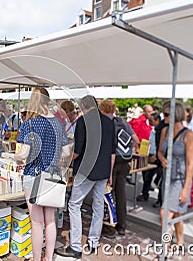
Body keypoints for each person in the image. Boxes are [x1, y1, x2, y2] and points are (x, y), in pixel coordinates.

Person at [55, 95, 116, 258]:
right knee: (97, 206)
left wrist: (63, 161)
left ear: (83, 107)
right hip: (103, 171)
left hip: (86, 171)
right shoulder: (110, 122)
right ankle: (94, 241)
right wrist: (109, 173)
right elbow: (112, 152)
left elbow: (77, 152)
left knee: (74, 205)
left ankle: (75, 246)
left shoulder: (83, 121)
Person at [14, 88, 71, 261]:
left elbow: (24, 154)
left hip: (34, 175)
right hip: (53, 176)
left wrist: (15, 158)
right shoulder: (57, 124)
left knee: (37, 223)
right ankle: (49, 257)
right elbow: (67, 152)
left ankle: (37, 258)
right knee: (50, 221)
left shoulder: (29, 123)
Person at [157, 101, 193, 247]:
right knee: (177, 213)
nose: (164, 117)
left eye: (166, 114)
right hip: (167, 177)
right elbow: (160, 151)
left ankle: (164, 250)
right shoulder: (165, 131)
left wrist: (186, 188)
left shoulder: (189, 135)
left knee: (165, 214)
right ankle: (180, 242)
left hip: (180, 179)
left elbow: (191, 164)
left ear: (175, 114)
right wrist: (162, 159)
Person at [99, 99, 139, 237]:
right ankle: (122, 226)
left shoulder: (105, 124)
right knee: (121, 195)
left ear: (103, 110)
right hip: (125, 163)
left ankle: (110, 228)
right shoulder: (123, 122)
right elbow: (136, 139)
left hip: (112, 164)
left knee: (108, 196)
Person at [137, 111, 162, 202]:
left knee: (158, 179)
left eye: (151, 120)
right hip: (150, 155)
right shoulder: (153, 130)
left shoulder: (161, 131)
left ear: (157, 120)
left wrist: (156, 155)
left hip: (158, 156)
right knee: (146, 175)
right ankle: (145, 193)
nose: (150, 122)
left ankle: (159, 199)